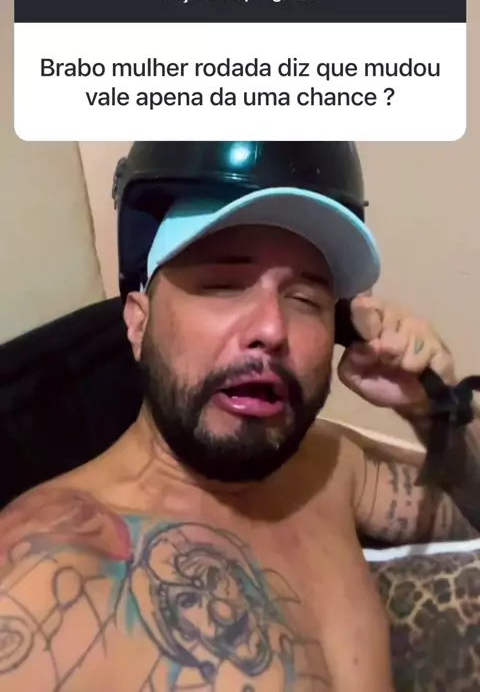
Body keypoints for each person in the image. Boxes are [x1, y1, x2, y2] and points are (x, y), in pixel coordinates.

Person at [0, 153, 479, 692]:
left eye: (306, 298)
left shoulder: (327, 467)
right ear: (138, 325)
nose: (272, 328)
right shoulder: (47, 577)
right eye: (223, 285)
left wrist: (433, 408)